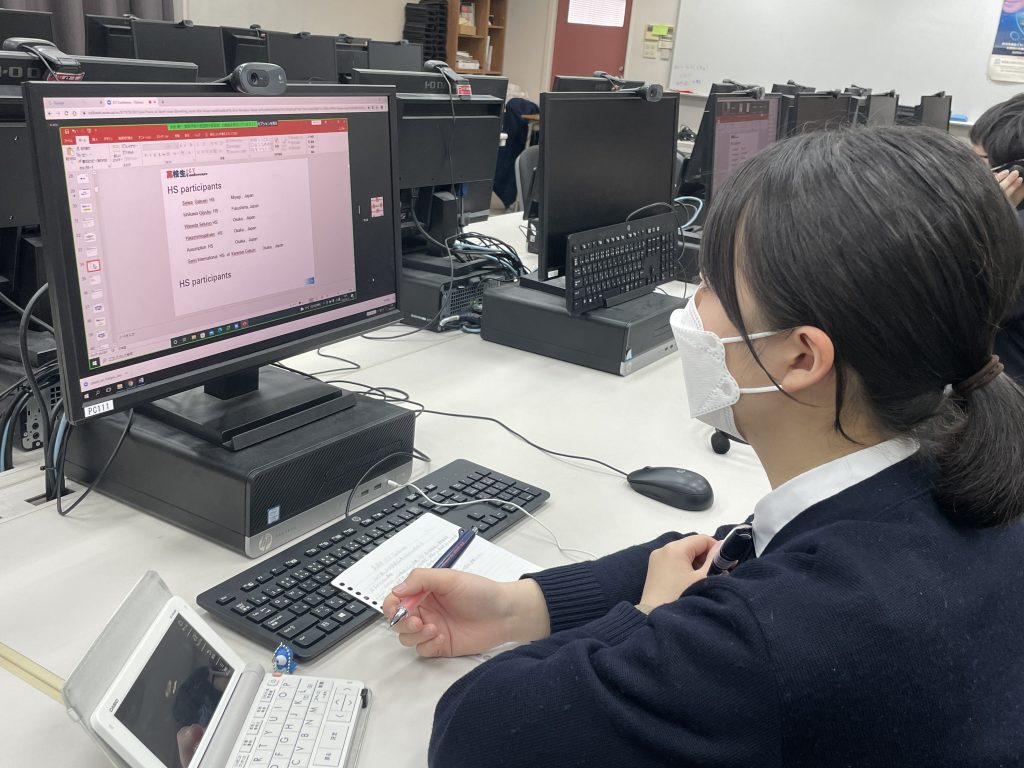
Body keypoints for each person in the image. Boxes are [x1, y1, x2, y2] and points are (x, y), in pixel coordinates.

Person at [384, 127, 1024, 768]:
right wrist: (520, 607)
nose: (692, 304)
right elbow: (730, 548)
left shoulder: (775, 639)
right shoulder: (947, 467)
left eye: (714, 284)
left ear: (801, 357)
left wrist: (647, 618)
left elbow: (479, 732)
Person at [971, 94, 1024, 382]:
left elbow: (965, 309)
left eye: (977, 161)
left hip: (1009, 388)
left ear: (1015, 172)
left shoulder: (1012, 236)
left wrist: (990, 216)